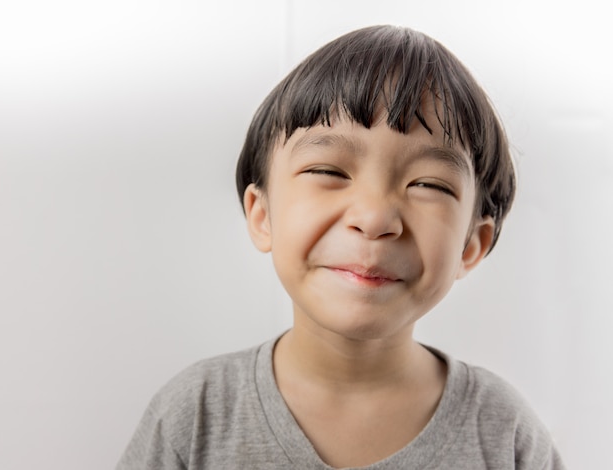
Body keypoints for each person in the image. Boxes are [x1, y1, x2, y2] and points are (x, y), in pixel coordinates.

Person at [116, 25, 565, 469]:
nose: (373, 219)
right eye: (329, 171)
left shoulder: (505, 434)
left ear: (472, 244)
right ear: (262, 215)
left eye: (427, 184)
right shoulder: (194, 417)